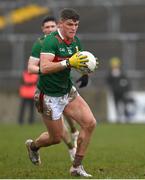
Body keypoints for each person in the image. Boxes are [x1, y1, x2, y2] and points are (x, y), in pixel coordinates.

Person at [25, 9, 96, 177]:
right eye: (70, 24)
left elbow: (79, 60)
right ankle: (33, 146)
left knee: (90, 123)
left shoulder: (76, 41)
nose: (73, 28)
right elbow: (45, 67)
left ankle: (76, 167)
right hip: (49, 96)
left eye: (76, 25)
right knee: (55, 138)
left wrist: (86, 71)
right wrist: (67, 62)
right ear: (61, 24)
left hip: (67, 90)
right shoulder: (49, 42)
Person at [106, 57, 135, 121]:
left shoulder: (122, 72)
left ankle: (127, 117)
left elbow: (126, 82)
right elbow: (108, 81)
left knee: (125, 104)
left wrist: (127, 90)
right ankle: (118, 118)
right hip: (115, 92)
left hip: (122, 92)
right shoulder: (110, 73)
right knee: (116, 105)